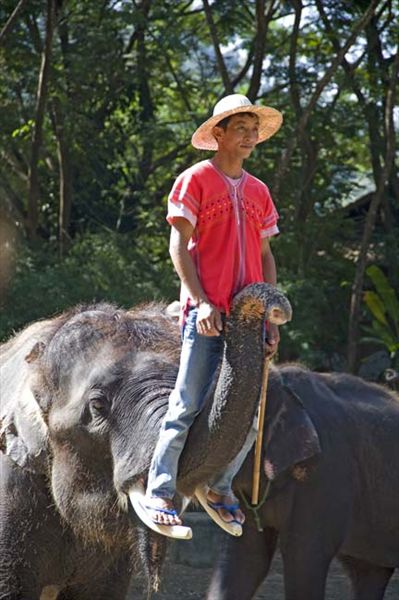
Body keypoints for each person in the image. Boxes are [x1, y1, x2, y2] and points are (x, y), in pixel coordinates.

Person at [144, 93, 283, 534]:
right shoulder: (195, 180)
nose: (249, 136)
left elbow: (265, 253)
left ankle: (219, 488)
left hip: (249, 320)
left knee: (250, 412)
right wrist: (200, 300)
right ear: (217, 134)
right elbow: (177, 246)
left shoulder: (259, 191)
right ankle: (160, 489)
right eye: (239, 128)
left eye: (252, 129)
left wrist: (269, 307)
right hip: (206, 314)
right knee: (186, 402)